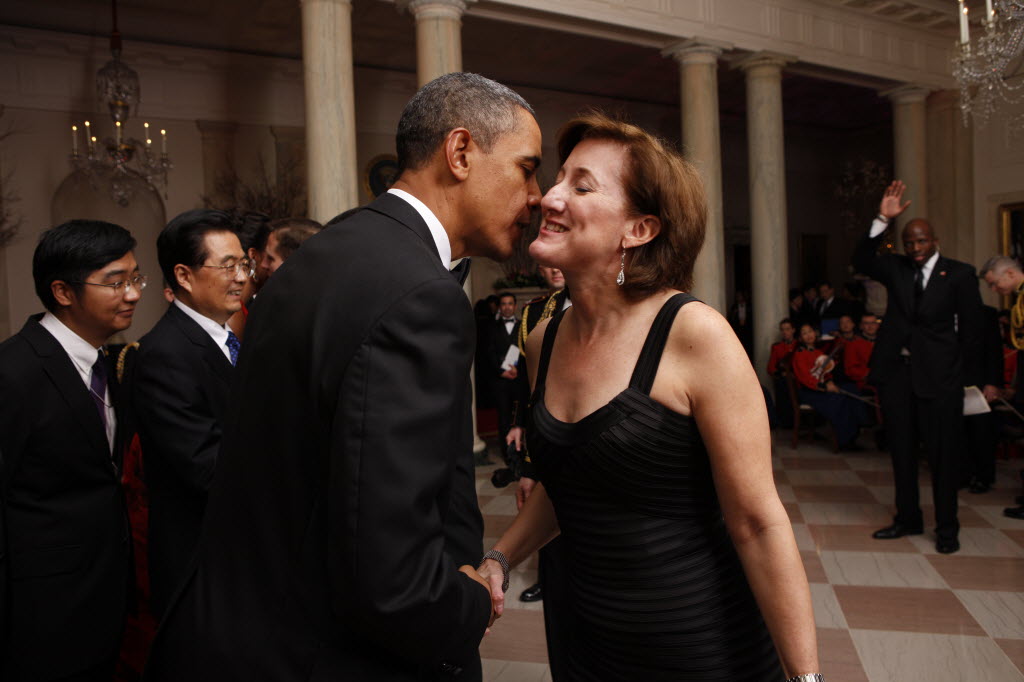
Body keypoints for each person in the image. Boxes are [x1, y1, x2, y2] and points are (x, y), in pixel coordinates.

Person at [143, 72, 543, 681]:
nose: (537, 195)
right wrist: (467, 603)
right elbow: (391, 572)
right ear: (460, 152)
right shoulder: (418, 291)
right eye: (527, 169)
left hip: (259, 629)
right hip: (338, 652)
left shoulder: (321, 256)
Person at [477, 112, 818, 680]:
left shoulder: (694, 334)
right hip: (585, 639)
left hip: (695, 643)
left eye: (582, 187)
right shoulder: (543, 342)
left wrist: (807, 678)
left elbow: (758, 524)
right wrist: (500, 558)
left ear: (638, 229)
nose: (549, 198)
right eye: (558, 180)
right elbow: (571, 484)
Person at [0, 220, 143, 680]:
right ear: (63, 292)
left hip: (103, 597)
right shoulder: (14, 372)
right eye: (115, 283)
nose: (133, 294)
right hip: (40, 612)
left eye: (135, 278)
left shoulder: (108, 362)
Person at [853, 180, 982, 554]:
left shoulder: (959, 274)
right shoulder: (896, 268)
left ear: (935, 241)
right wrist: (883, 219)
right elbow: (862, 260)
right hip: (898, 376)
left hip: (940, 379)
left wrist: (967, 380)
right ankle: (907, 518)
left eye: (921, 241)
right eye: (909, 242)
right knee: (902, 453)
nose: (915, 248)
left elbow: (972, 331)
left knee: (943, 457)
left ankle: (947, 529)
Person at [132, 209, 250, 619]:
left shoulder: (228, 339)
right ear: (183, 276)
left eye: (244, 264)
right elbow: (205, 466)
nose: (241, 277)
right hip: (201, 558)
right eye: (228, 266)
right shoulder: (165, 354)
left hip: (237, 553)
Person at [790, 323, 867, 450]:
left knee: (850, 389)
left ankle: (860, 425)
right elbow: (805, 378)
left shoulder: (819, 352)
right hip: (809, 391)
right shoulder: (799, 354)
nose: (808, 335)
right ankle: (844, 440)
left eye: (810, 331)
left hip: (821, 388)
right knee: (840, 400)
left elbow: (826, 373)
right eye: (804, 333)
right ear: (800, 338)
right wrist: (824, 387)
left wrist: (830, 382)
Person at [768, 317, 798, 429]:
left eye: (788, 329)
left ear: (793, 330)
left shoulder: (799, 345)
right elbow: (771, 368)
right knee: (782, 384)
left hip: (799, 378)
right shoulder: (777, 347)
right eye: (782, 329)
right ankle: (785, 422)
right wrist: (782, 374)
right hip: (784, 379)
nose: (785, 332)